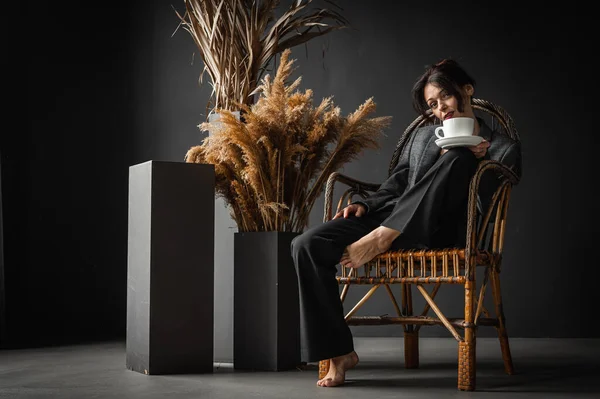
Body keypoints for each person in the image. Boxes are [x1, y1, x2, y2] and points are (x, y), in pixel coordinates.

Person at [290, 58, 522, 387]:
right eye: (432, 104)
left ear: (466, 90)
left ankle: (381, 238)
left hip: (447, 232)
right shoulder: (424, 137)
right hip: (395, 220)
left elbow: (489, 200)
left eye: (445, 96)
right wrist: (364, 205)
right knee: (306, 245)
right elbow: (397, 185)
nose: (440, 108)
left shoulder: (502, 147)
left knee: (457, 157)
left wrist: (473, 160)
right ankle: (338, 352)